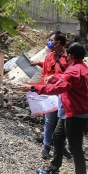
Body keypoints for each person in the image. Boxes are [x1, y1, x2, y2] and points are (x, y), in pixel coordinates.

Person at [22, 42, 88, 174]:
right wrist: (55, 77)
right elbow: (75, 83)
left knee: (75, 147)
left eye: (67, 55)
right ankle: (53, 170)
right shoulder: (83, 69)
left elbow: (59, 88)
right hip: (70, 111)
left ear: (71, 55)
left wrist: (33, 88)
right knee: (57, 137)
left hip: (75, 113)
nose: (65, 57)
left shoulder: (74, 71)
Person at [31, 31, 71, 160]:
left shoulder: (69, 58)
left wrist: (55, 78)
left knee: (62, 121)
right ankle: (46, 146)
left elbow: (69, 75)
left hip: (62, 93)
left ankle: (61, 146)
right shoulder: (49, 57)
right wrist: (41, 88)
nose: (49, 42)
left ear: (58, 42)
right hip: (49, 92)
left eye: (51, 40)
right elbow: (45, 73)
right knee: (49, 120)